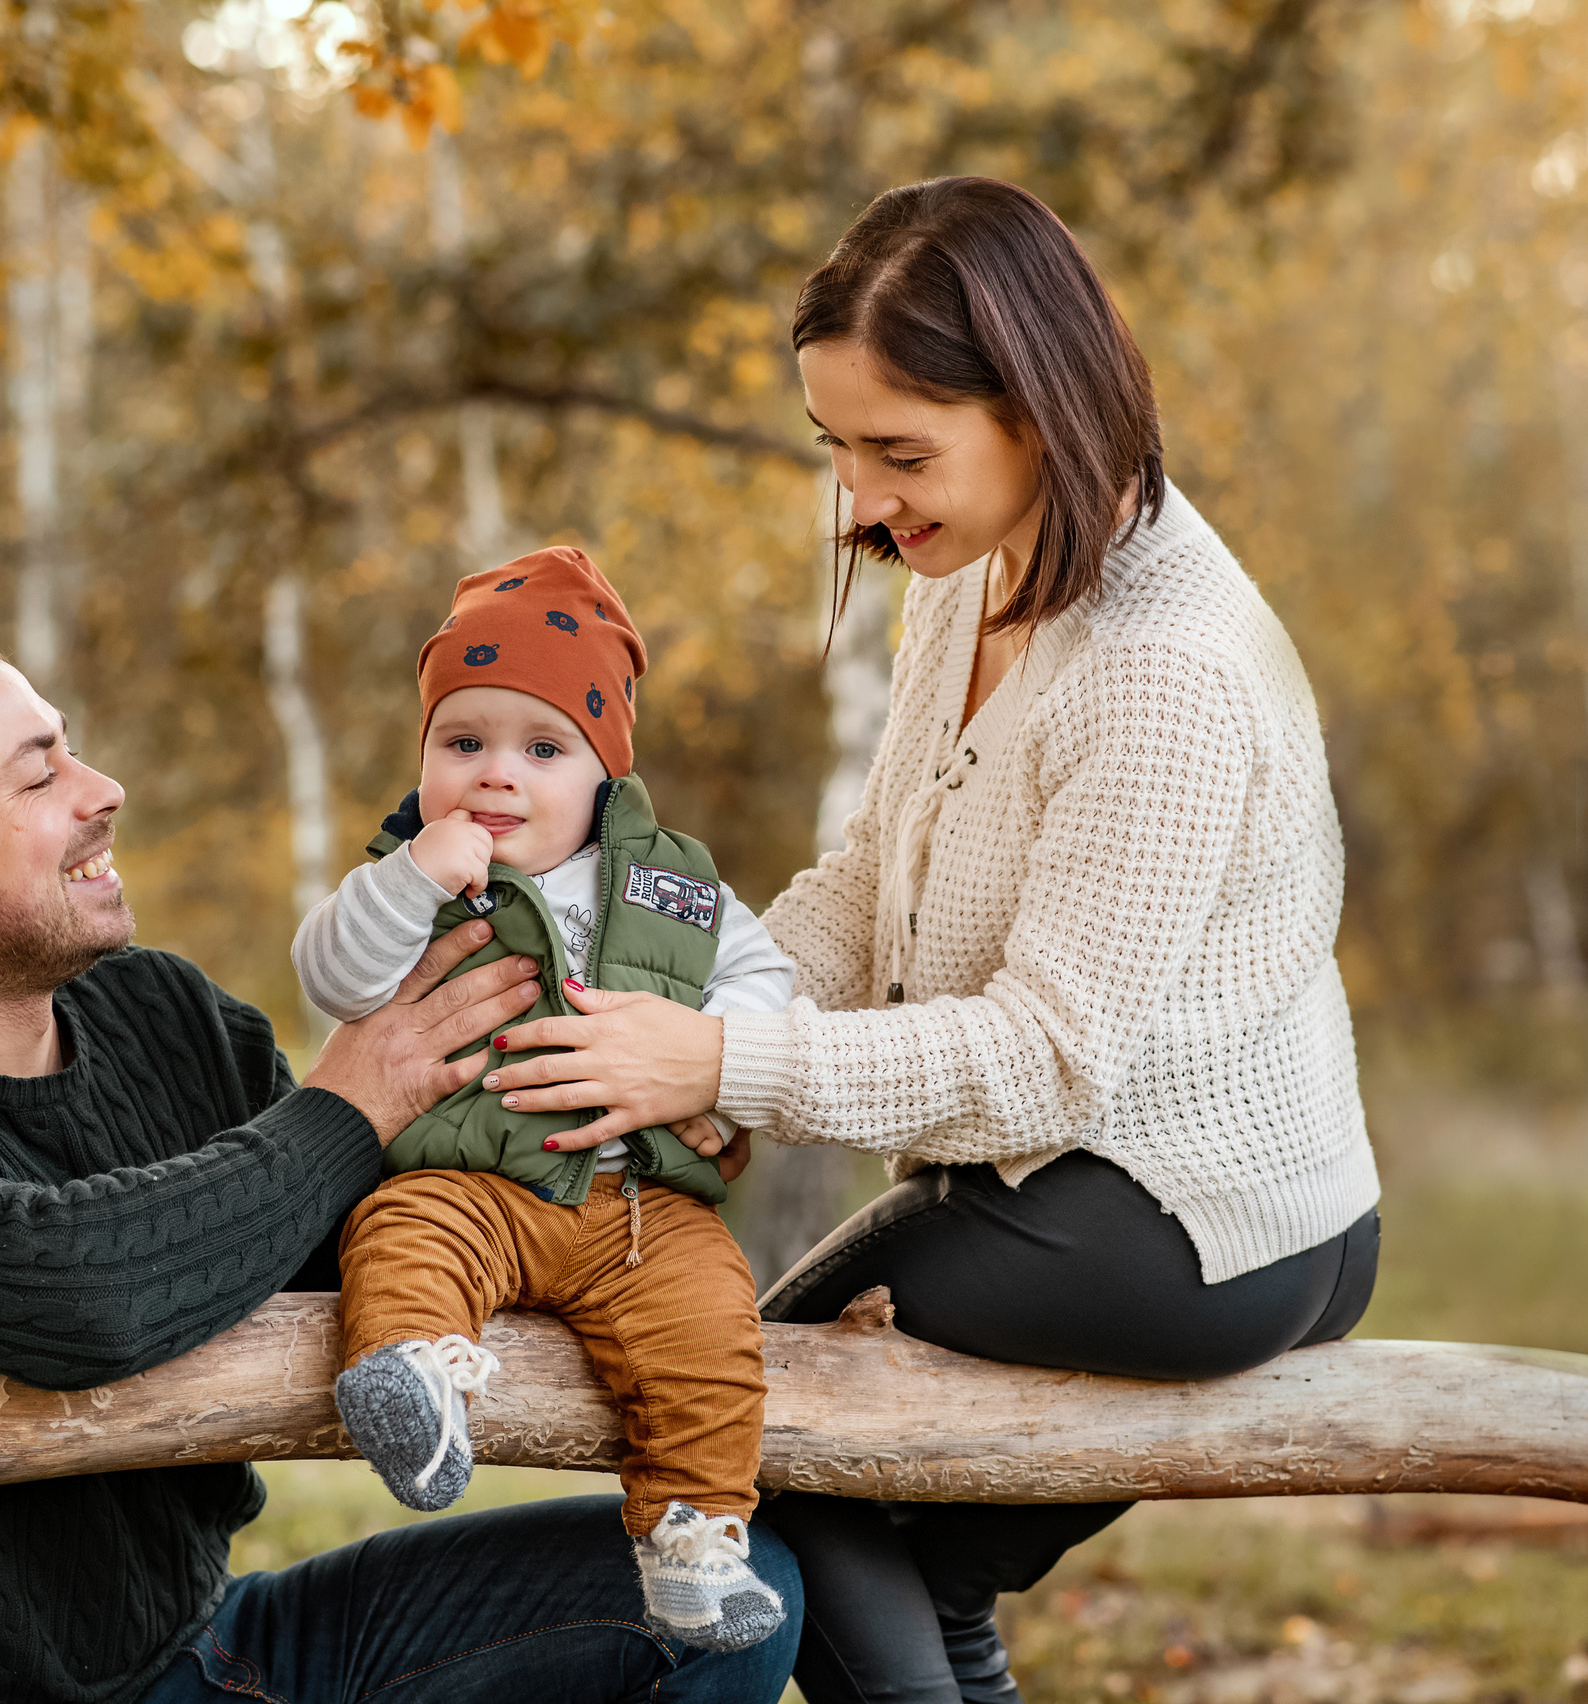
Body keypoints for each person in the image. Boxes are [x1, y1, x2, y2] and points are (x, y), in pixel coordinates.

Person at [463, 176, 1384, 1704]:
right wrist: (689, 1012)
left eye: (900, 452)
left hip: (1192, 1219)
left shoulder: (1160, 667)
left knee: (746, 1415)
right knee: (923, 1583)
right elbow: (866, 877)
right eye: (836, 447)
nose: (863, 500)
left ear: (1039, 404)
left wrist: (725, 1062)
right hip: (1108, 1185)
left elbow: (1046, 1060)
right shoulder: (978, 576)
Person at [0, 626, 802, 1704]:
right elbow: (73, 1296)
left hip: (212, 1648)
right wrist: (347, 1103)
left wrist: (628, 1131)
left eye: (71, 748)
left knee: (726, 1603)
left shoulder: (159, 1011)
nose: (103, 789)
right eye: (38, 775)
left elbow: (345, 1236)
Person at [293, 546, 796, 1651]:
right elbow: (331, 976)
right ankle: (414, 1383)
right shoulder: (407, 882)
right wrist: (413, 877)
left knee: (713, 1328)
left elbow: (764, 978)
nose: (495, 776)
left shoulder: (673, 884)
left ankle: (694, 1542)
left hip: (638, 1204)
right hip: (471, 1177)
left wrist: (720, 1070)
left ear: (604, 773)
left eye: (542, 748)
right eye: (462, 743)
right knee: (403, 1235)